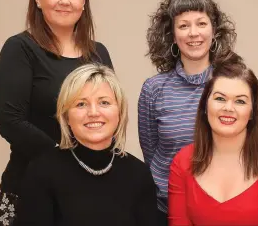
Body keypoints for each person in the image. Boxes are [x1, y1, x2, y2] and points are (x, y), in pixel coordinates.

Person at [0, 0, 113, 225]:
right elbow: (11, 123)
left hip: (89, 186)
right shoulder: (19, 49)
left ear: (84, 0)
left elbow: (109, 113)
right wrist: (68, 161)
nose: (64, 1)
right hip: (31, 187)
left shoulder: (98, 52)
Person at [14, 63, 157, 226]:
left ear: (120, 112)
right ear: (66, 116)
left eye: (104, 102)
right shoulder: (41, 171)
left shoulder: (139, 174)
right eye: (81, 104)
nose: (94, 113)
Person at [138, 0, 237, 224]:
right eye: (183, 26)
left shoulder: (234, 84)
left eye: (201, 23)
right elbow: (151, 154)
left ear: (214, 31)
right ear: (172, 35)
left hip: (223, 207)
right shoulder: (153, 89)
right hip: (166, 209)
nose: (194, 33)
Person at [168, 53, 258, 226]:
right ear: (205, 106)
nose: (228, 108)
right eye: (220, 98)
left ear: (252, 112)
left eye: (240, 101)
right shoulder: (182, 162)